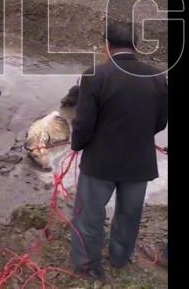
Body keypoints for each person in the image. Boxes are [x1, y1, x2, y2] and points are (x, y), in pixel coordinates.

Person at [69, 21, 168, 280]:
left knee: (89, 216)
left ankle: (88, 266)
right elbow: (160, 122)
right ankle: (120, 258)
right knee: (129, 215)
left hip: (99, 163)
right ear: (136, 46)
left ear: (107, 46)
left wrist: (77, 145)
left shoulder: (95, 75)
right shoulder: (158, 77)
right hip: (139, 163)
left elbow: (83, 122)